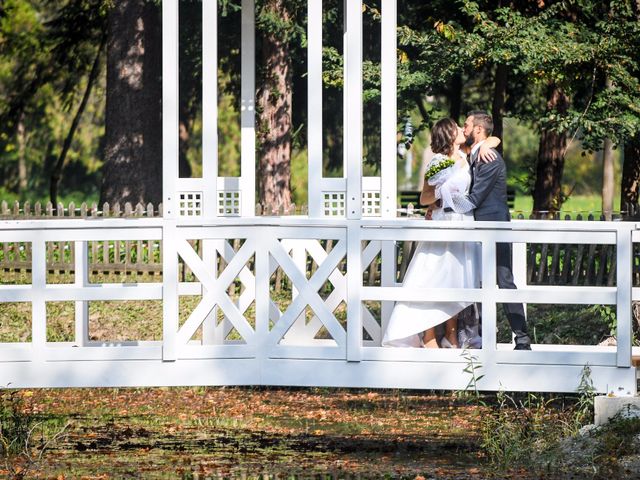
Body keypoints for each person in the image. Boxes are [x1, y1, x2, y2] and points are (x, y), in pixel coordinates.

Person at [382, 118, 498, 348]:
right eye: (456, 127)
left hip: (463, 221)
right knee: (433, 278)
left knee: (458, 280)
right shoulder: (438, 161)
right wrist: (439, 198)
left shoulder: (465, 155)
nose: (461, 130)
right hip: (444, 219)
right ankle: (429, 336)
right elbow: (424, 197)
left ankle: (451, 335)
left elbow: (493, 138)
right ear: (449, 134)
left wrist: (487, 144)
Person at [461, 110, 532, 350]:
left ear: (478, 130)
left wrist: (446, 205)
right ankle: (482, 337)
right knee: (478, 282)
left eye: (467, 125)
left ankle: (522, 338)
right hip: (477, 227)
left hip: (494, 225)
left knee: (504, 279)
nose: (463, 129)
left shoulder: (489, 157)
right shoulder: (474, 152)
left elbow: (475, 197)